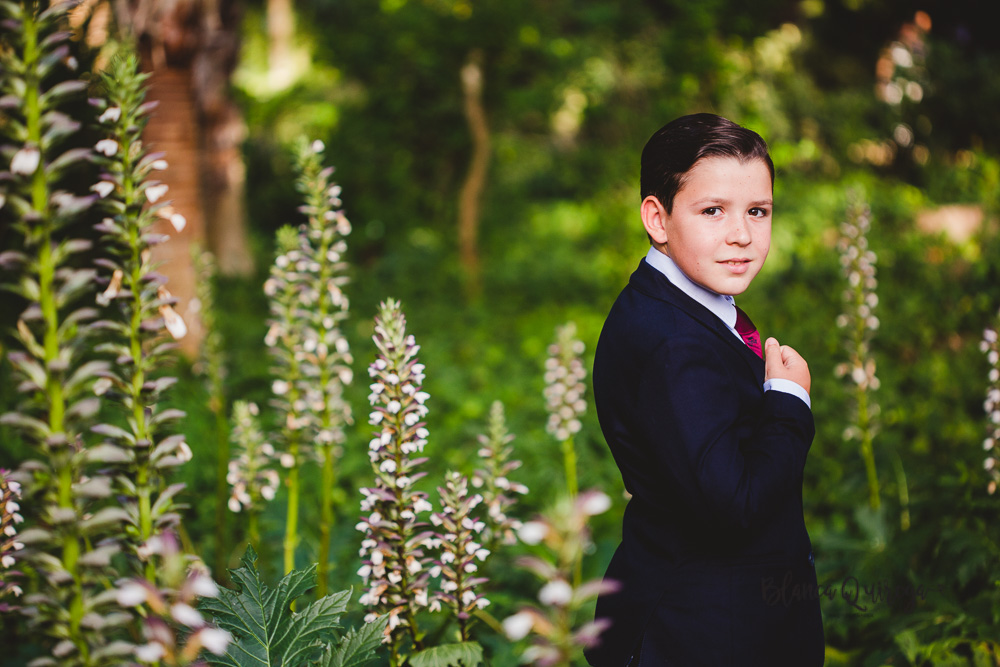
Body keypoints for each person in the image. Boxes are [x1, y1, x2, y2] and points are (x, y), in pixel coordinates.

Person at [584, 113, 824, 666]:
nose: (741, 234)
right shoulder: (674, 344)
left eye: (757, 212)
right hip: (703, 632)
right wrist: (789, 403)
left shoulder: (683, 306)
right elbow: (734, 506)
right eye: (712, 210)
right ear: (658, 218)